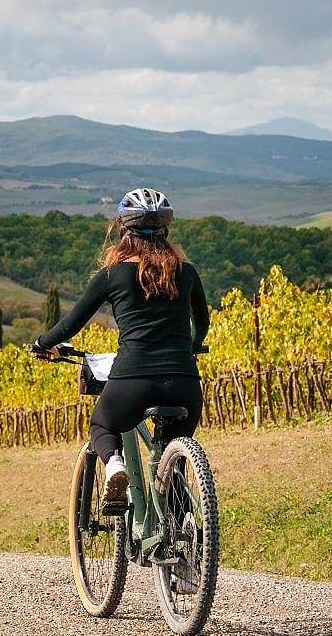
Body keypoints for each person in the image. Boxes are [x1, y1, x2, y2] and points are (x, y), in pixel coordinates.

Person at [31, 188, 209, 508]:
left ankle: (114, 465)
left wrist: (43, 344)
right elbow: (203, 324)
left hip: (133, 380)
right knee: (173, 465)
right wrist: (193, 347)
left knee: (102, 425)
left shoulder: (112, 274)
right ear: (165, 231)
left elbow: (70, 325)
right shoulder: (187, 272)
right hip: (184, 383)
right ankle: (186, 536)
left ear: (123, 229)